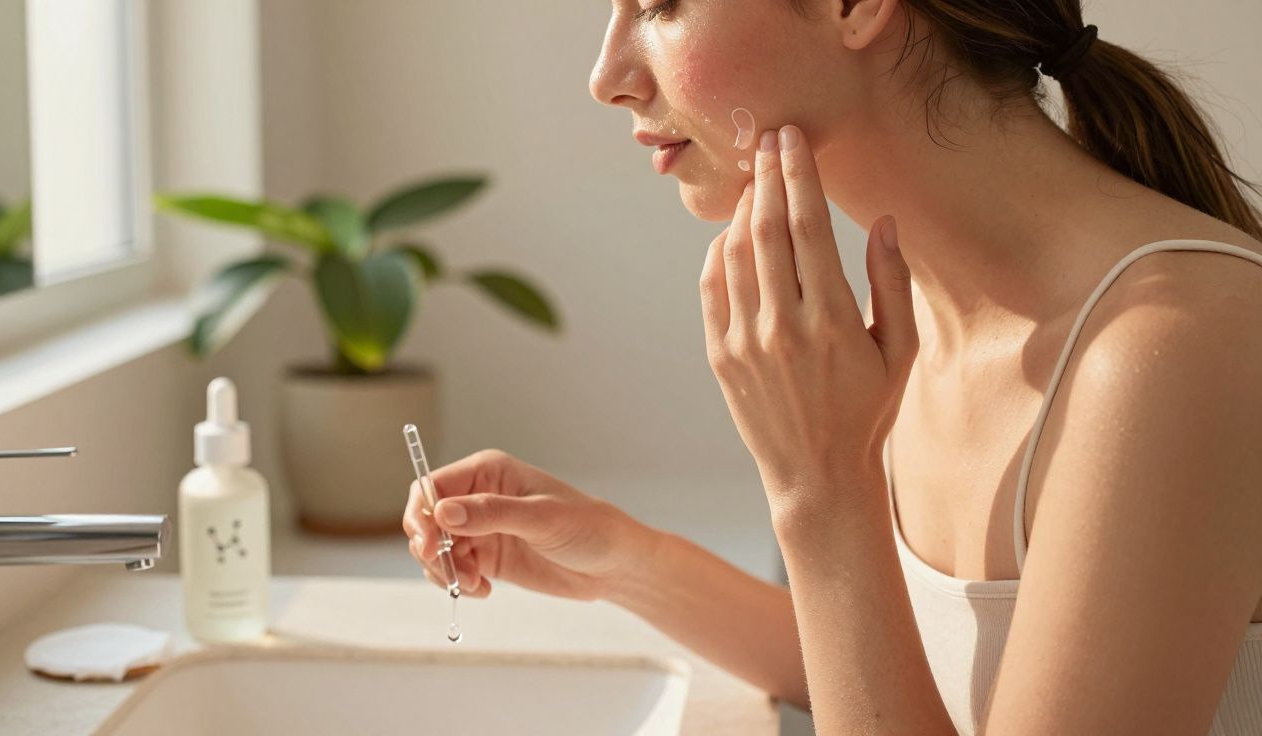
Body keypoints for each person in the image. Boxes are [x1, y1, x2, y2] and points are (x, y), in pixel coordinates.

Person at [406, 1, 1262, 733]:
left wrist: (820, 488)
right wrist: (625, 560)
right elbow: (911, 668)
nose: (607, 76)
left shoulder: (1167, 349)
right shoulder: (926, 312)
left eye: (662, 4)